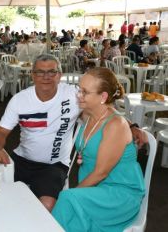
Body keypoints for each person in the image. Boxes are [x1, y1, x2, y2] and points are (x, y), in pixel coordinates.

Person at [0, 54, 147, 212]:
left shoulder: (75, 95)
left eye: (52, 72)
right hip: (22, 159)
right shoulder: (19, 100)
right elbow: (0, 132)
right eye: (39, 72)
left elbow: (105, 112)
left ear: (60, 75)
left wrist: (131, 125)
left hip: (54, 165)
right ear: (32, 75)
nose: (46, 77)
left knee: (47, 206)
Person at [52, 67, 145, 231]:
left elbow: (101, 173)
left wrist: (74, 194)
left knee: (67, 199)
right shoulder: (87, 114)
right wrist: (133, 125)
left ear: (103, 97)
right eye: (79, 90)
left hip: (119, 194)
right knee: (68, 210)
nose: (79, 95)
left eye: (85, 92)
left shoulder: (115, 125)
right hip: (95, 189)